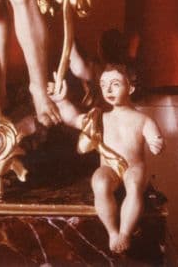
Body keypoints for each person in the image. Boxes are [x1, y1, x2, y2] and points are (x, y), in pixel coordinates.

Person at [52, 64, 165, 254]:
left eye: (115, 84)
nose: (108, 90)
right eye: (104, 85)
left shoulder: (142, 120)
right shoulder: (101, 118)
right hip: (109, 168)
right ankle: (112, 232)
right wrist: (62, 101)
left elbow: (156, 138)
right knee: (99, 182)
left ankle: (125, 233)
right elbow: (73, 119)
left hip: (133, 167)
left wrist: (157, 143)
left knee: (134, 183)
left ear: (131, 88)